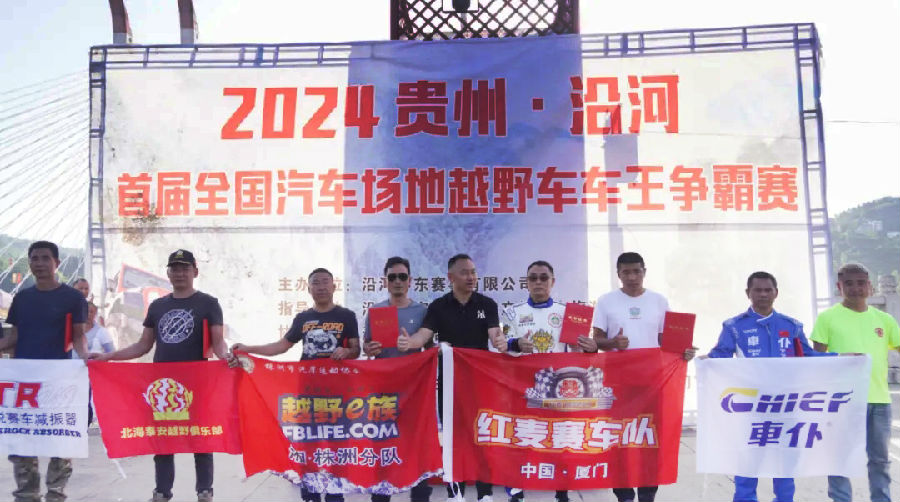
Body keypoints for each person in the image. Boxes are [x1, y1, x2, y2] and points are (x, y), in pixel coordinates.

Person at [90, 249, 228, 502]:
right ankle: (162, 491)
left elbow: (218, 343)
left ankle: (204, 491)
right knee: (163, 441)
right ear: (168, 273)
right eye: (175, 268)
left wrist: (227, 358)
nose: (180, 273)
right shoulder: (157, 306)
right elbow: (143, 346)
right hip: (164, 386)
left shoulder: (208, 304)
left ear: (195, 272)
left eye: (185, 268)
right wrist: (108, 357)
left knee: (201, 439)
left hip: (198, 384)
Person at [232, 267, 360, 502]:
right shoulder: (303, 319)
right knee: (309, 444)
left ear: (334, 286)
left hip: (338, 392)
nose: (321, 287)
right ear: (309, 289)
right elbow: (281, 346)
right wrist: (248, 349)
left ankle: (335, 494)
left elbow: (356, 349)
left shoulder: (346, 316)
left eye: (325, 282)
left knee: (337, 443)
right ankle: (310, 492)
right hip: (308, 391)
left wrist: (347, 351)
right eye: (316, 283)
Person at [708, 271, 829, 502]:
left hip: (786, 406)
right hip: (751, 407)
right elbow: (720, 356)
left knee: (785, 462)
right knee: (748, 462)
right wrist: (704, 360)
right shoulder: (734, 326)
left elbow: (809, 356)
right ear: (748, 293)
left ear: (776, 293)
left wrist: (843, 358)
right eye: (757, 290)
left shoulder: (791, 326)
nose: (763, 294)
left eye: (767, 290)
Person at [398, 253, 506, 502]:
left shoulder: (487, 304)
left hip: (480, 381)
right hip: (449, 383)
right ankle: (455, 493)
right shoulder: (439, 306)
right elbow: (424, 335)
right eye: (464, 272)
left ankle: (485, 493)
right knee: (453, 437)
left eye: (473, 272)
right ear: (450, 277)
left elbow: (494, 333)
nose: (471, 277)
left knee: (482, 434)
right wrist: (409, 342)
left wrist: (499, 340)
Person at [591, 252, 695, 502]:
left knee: (650, 439)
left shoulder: (659, 301)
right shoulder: (606, 301)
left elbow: (666, 340)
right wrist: (613, 342)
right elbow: (596, 340)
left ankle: (648, 494)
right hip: (618, 382)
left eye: (636, 271)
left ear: (644, 272)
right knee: (620, 440)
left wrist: (684, 351)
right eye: (626, 272)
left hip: (652, 382)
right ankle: (624, 494)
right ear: (618, 274)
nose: (632, 277)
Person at [503, 260, 598, 502]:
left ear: (552, 282)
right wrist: (515, 343)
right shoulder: (512, 312)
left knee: (559, 441)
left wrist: (588, 348)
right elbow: (499, 348)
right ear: (526, 282)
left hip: (558, 389)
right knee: (521, 438)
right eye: (533, 278)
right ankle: (516, 489)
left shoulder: (569, 313)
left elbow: (581, 352)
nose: (538, 282)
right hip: (523, 388)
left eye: (543, 278)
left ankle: (561, 491)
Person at [0, 240, 88, 502]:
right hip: (24, 382)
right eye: (34, 258)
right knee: (22, 440)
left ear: (56, 263)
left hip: (59, 381)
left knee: (61, 441)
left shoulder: (73, 298)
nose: (39, 263)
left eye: (45, 258)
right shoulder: (22, 298)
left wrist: (88, 360)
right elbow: (13, 338)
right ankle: (27, 494)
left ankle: (55, 494)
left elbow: (79, 336)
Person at [811, 263, 900, 502]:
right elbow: (815, 359)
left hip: (878, 400)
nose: (856, 288)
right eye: (849, 283)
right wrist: (841, 358)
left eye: (861, 283)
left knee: (879, 460)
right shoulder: (827, 318)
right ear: (839, 287)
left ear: (869, 286)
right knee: (839, 458)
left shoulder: (884, 319)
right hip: (841, 402)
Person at [362, 256, 432, 502]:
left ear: (410, 280)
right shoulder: (375, 311)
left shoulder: (423, 311)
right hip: (383, 392)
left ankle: (420, 497)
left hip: (414, 392)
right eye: (392, 277)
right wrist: (369, 349)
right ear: (385, 281)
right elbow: (366, 346)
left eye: (402, 276)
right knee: (382, 446)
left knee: (417, 448)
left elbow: (430, 351)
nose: (398, 281)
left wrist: (411, 343)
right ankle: (381, 496)